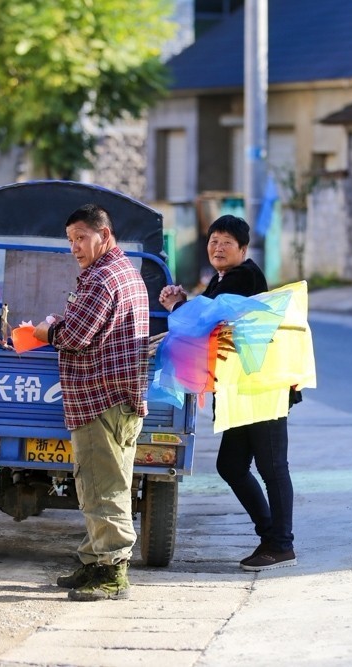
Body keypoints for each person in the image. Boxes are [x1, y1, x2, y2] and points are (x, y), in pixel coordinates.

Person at [159, 214, 297, 571]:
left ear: (243, 249)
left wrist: (178, 306)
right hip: (239, 389)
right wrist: (184, 300)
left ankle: (280, 544)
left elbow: (204, 319)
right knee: (231, 465)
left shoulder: (244, 276)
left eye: (226, 243)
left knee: (272, 467)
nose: (217, 248)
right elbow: (206, 315)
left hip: (261, 388)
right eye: (213, 241)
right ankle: (270, 536)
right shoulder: (224, 279)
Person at [34, 203, 149, 602]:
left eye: (81, 238)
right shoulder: (124, 272)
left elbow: (76, 336)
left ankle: (111, 574)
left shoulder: (102, 278)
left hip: (101, 400)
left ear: (105, 234)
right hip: (115, 400)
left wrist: (47, 331)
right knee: (98, 483)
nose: (75, 248)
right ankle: (94, 563)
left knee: (104, 487)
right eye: (70, 240)